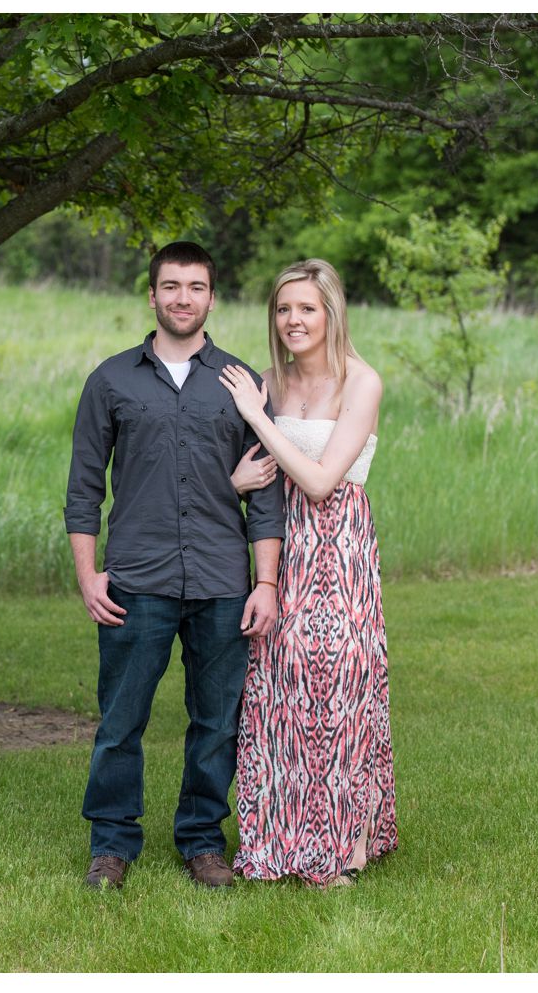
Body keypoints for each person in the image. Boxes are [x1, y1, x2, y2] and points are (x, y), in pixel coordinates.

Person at [65, 241, 286, 890]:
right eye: (171, 286)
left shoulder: (242, 385)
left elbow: (267, 496)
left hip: (222, 582)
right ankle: (112, 843)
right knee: (121, 719)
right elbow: (84, 488)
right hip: (137, 579)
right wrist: (88, 574)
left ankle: (201, 840)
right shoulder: (111, 380)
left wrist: (266, 581)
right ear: (153, 295)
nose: (183, 298)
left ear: (211, 297)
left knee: (216, 722)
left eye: (195, 286)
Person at [218, 257, 398, 888]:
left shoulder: (361, 382)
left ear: (331, 313)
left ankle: (345, 846)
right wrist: (234, 479)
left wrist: (259, 417)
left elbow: (322, 482)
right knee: (279, 687)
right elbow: (235, 472)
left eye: (306, 309)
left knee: (344, 686)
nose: (293, 320)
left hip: (340, 545)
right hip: (277, 540)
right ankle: (278, 837)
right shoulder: (265, 380)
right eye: (283, 308)